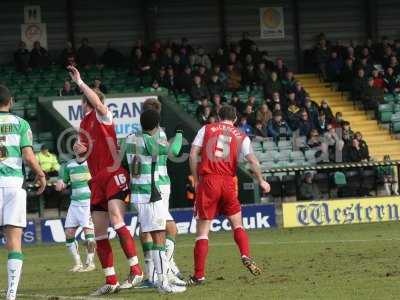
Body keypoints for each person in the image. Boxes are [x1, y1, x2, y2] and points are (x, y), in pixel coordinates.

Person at [68, 66, 142, 295]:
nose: (82, 105)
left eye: (83, 101)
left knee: (116, 218)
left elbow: (98, 102)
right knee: (99, 232)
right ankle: (111, 280)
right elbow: (82, 156)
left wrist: (80, 82)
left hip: (114, 174)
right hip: (97, 179)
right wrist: (77, 149)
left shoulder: (103, 114)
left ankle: (136, 270)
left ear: (88, 101)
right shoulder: (83, 125)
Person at [188, 105, 270, 285]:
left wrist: (195, 179)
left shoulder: (206, 128)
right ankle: (245, 254)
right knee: (237, 224)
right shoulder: (241, 135)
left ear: (218, 116)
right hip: (228, 182)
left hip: (209, 181)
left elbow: (193, 154)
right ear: (234, 120)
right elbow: (252, 160)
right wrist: (261, 180)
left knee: (203, 232)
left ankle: (199, 275)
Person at [125, 109, 186, 294]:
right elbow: (174, 150)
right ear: (157, 124)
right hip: (150, 194)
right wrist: (179, 133)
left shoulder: (129, 138)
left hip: (139, 192)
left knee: (156, 234)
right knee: (160, 235)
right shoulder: (149, 141)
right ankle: (163, 282)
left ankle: (161, 278)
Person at [0, 85, 46, 300]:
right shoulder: (21, 124)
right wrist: (40, 174)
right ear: (11, 101)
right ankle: (10, 295)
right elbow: (28, 156)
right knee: (14, 241)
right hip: (13, 185)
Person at [55, 159, 96, 273]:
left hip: (87, 202)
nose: (77, 146)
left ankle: (90, 263)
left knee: (88, 232)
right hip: (74, 203)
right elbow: (63, 181)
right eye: (75, 143)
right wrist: (61, 183)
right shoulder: (69, 164)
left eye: (81, 144)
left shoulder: (92, 162)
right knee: (69, 233)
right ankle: (78, 263)